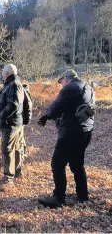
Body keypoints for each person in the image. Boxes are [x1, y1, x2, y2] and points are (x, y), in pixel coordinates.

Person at [38, 69, 95, 208]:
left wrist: (47, 114)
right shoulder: (89, 89)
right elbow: (86, 110)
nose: (61, 85)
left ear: (66, 79)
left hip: (71, 133)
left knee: (57, 164)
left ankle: (58, 198)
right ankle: (83, 196)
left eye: (61, 81)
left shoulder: (71, 87)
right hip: (86, 131)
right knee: (77, 165)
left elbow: (57, 106)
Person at [0, 63, 25, 186]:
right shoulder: (10, 84)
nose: (1, 73)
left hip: (11, 123)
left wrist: (1, 115)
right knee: (14, 148)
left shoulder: (15, 85)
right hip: (12, 123)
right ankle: (16, 173)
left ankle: (8, 177)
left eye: (3, 71)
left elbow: (13, 104)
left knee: (7, 149)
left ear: (7, 73)